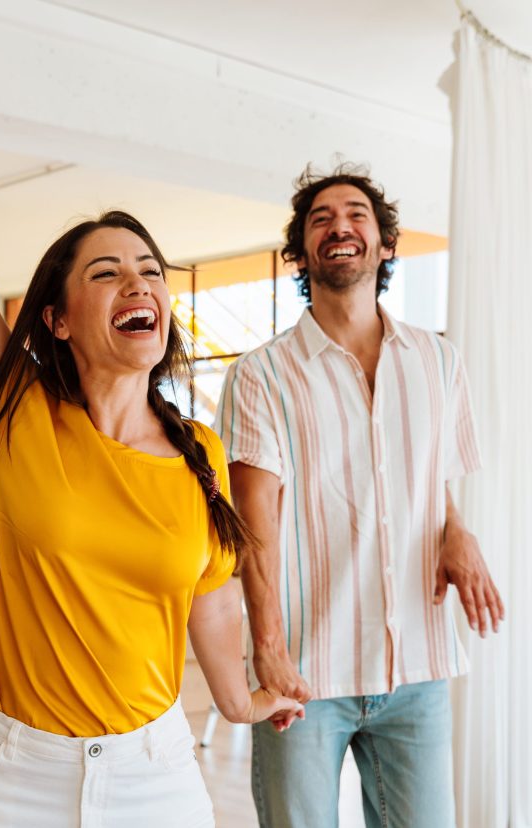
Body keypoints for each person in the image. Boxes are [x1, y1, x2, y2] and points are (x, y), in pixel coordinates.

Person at [0, 14, 303, 828]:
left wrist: (239, 701)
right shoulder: (17, 415)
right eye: (107, 273)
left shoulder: (200, 450)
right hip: (6, 777)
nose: (139, 284)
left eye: (150, 271)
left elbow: (210, 597)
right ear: (56, 318)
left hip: (155, 775)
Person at [215, 162, 505, 828]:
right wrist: (267, 647)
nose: (339, 227)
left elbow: (430, 480)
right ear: (301, 253)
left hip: (417, 668)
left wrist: (455, 530)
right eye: (320, 220)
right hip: (304, 672)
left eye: (355, 216)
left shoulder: (440, 362)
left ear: (385, 243)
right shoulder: (261, 376)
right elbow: (254, 529)